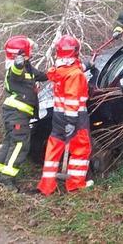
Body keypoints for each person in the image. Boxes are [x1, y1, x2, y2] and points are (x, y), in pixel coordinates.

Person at [0, 36, 47, 190]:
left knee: (9, 143)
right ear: (21, 53)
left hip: (13, 114)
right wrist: (18, 61)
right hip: (17, 115)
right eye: (30, 50)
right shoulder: (15, 68)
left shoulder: (27, 66)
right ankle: (6, 180)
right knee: (20, 145)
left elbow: (41, 75)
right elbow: (16, 72)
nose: (32, 52)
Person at [37, 35, 92, 196]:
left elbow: (70, 70)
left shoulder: (59, 69)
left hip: (58, 117)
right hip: (75, 117)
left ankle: (47, 185)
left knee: (54, 148)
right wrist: (72, 122)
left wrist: (85, 66)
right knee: (81, 148)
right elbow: (73, 100)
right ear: (75, 51)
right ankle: (75, 184)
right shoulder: (75, 75)